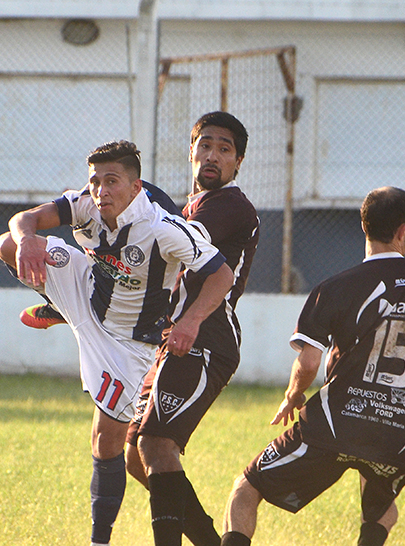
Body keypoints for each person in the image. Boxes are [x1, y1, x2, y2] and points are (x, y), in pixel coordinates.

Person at [0, 140, 234, 546]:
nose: (101, 191)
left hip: (127, 342)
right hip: (86, 292)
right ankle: (59, 306)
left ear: (135, 187)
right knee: (8, 244)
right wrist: (29, 236)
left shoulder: (163, 229)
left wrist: (191, 322)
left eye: (112, 182)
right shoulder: (87, 203)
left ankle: (98, 540)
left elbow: (222, 275)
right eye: (95, 181)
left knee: (106, 442)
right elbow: (25, 219)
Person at [220, 186, 405, 546]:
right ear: (404, 230)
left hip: (334, 426)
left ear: (364, 226)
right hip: (399, 435)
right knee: (382, 511)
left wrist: (294, 394)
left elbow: (308, 362)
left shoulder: (335, 287)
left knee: (246, 489)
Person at [122, 111, 259, 546]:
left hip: (206, 337)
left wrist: (191, 320)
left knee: (157, 445)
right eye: (205, 145)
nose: (212, 156)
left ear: (238, 162)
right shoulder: (190, 206)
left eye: (224, 149)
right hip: (180, 336)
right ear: (191, 151)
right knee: (136, 457)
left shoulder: (230, 206)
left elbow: (177, 246)